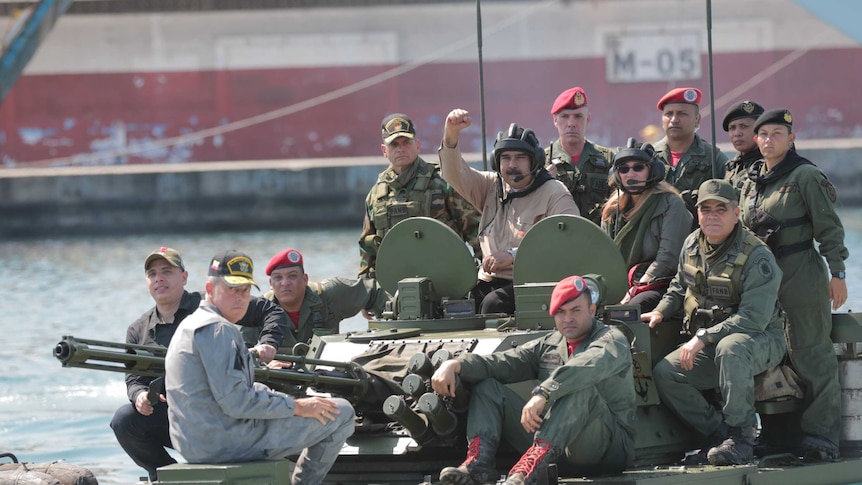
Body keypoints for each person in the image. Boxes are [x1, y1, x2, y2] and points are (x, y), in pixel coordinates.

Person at [165, 250, 355, 484]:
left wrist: (277, 398)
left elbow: (230, 389)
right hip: (225, 443)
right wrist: (297, 406)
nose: (240, 298)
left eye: (245, 290)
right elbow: (238, 402)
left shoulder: (191, 324)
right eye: (232, 289)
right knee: (342, 412)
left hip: (196, 442)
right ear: (211, 290)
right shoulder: (220, 329)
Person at [431, 275, 635, 484]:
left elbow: (586, 366)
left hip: (604, 450)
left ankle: (531, 469)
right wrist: (457, 364)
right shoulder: (550, 344)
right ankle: (478, 465)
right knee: (487, 388)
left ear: (592, 310)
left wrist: (544, 392)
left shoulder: (611, 340)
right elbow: (504, 362)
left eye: (576, 310)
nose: (568, 319)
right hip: (554, 449)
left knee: (579, 388)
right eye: (561, 312)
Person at [110, 247, 289, 483]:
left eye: (166, 271)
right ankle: (170, 476)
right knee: (125, 420)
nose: (159, 278)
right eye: (152, 273)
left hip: (222, 410)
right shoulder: (138, 329)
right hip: (179, 417)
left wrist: (268, 343)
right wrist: (140, 394)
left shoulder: (210, 305)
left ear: (184, 277)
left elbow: (270, 310)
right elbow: (133, 378)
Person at [643, 179, 787, 466]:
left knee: (731, 348)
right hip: (715, 340)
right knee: (666, 374)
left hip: (761, 339)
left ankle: (742, 437)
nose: (712, 216)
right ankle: (718, 433)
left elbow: (753, 319)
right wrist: (660, 311)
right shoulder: (692, 243)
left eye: (720, 209)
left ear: (736, 213)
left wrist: (704, 337)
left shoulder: (756, 256)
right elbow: (679, 285)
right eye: (705, 209)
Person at [739, 109, 849, 460]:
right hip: (762, 281)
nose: (769, 140)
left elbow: (828, 228)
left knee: (810, 355)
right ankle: (778, 434)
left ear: (791, 138)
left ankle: (821, 437)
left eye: (777, 133)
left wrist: (838, 273)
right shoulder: (751, 181)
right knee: (772, 359)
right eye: (764, 134)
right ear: (756, 141)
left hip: (801, 274)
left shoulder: (805, 176)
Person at [439, 108, 579, 314]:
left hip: (534, 283)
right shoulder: (491, 187)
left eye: (520, 157)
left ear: (535, 161)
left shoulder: (554, 193)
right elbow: (454, 174)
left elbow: (570, 241)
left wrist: (514, 255)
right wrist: (451, 133)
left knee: (492, 305)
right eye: (505, 158)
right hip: (488, 279)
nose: (512, 165)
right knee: (452, 304)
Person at [359, 113, 481, 279]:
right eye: (394, 144)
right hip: (396, 282)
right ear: (384, 151)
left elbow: (475, 230)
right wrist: (367, 292)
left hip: (445, 277)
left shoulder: (442, 182)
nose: (401, 148)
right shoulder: (376, 195)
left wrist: (485, 275)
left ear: (417, 145)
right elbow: (368, 247)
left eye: (406, 142)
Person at [600, 138, 691, 313]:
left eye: (638, 167)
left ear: (652, 170)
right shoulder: (613, 210)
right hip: (621, 284)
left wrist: (636, 289)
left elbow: (668, 258)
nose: (630, 174)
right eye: (624, 169)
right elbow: (605, 256)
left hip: (661, 284)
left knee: (632, 308)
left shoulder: (671, 203)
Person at [259, 247, 391, 346]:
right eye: (278, 278)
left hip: (326, 375)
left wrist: (389, 331)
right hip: (278, 378)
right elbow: (241, 352)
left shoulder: (329, 295)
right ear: (271, 284)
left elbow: (374, 292)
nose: (285, 283)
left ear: (305, 279)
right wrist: (266, 364)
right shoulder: (259, 310)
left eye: (292, 276)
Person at [652, 87, 728, 212]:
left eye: (682, 114)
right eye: (668, 114)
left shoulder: (713, 157)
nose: (674, 119)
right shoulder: (650, 156)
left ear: (697, 120)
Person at [544, 86, 613, 225]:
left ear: (587, 119)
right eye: (564, 116)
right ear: (555, 120)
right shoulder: (542, 162)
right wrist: (542, 185)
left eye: (578, 116)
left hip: (596, 240)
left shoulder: (607, 160)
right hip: (557, 239)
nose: (571, 124)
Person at [722, 100, 765, 194]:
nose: (737, 133)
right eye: (732, 128)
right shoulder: (732, 167)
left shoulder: (770, 165)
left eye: (744, 126)